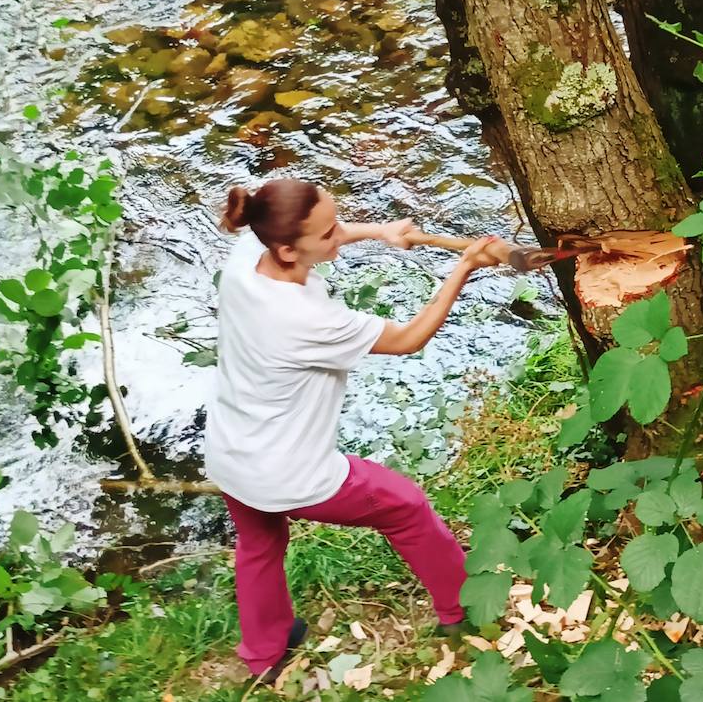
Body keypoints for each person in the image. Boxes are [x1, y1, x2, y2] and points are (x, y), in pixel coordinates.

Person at [204, 178, 502, 685]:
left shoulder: (246, 260)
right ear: (288, 249)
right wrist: (464, 268)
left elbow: (325, 231)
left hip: (232, 452)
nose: (338, 236)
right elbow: (408, 339)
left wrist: (382, 231)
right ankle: (465, 607)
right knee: (404, 505)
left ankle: (264, 652)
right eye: (328, 235)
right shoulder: (303, 318)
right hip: (290, 472)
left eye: (336, 222)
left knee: (259, 544)